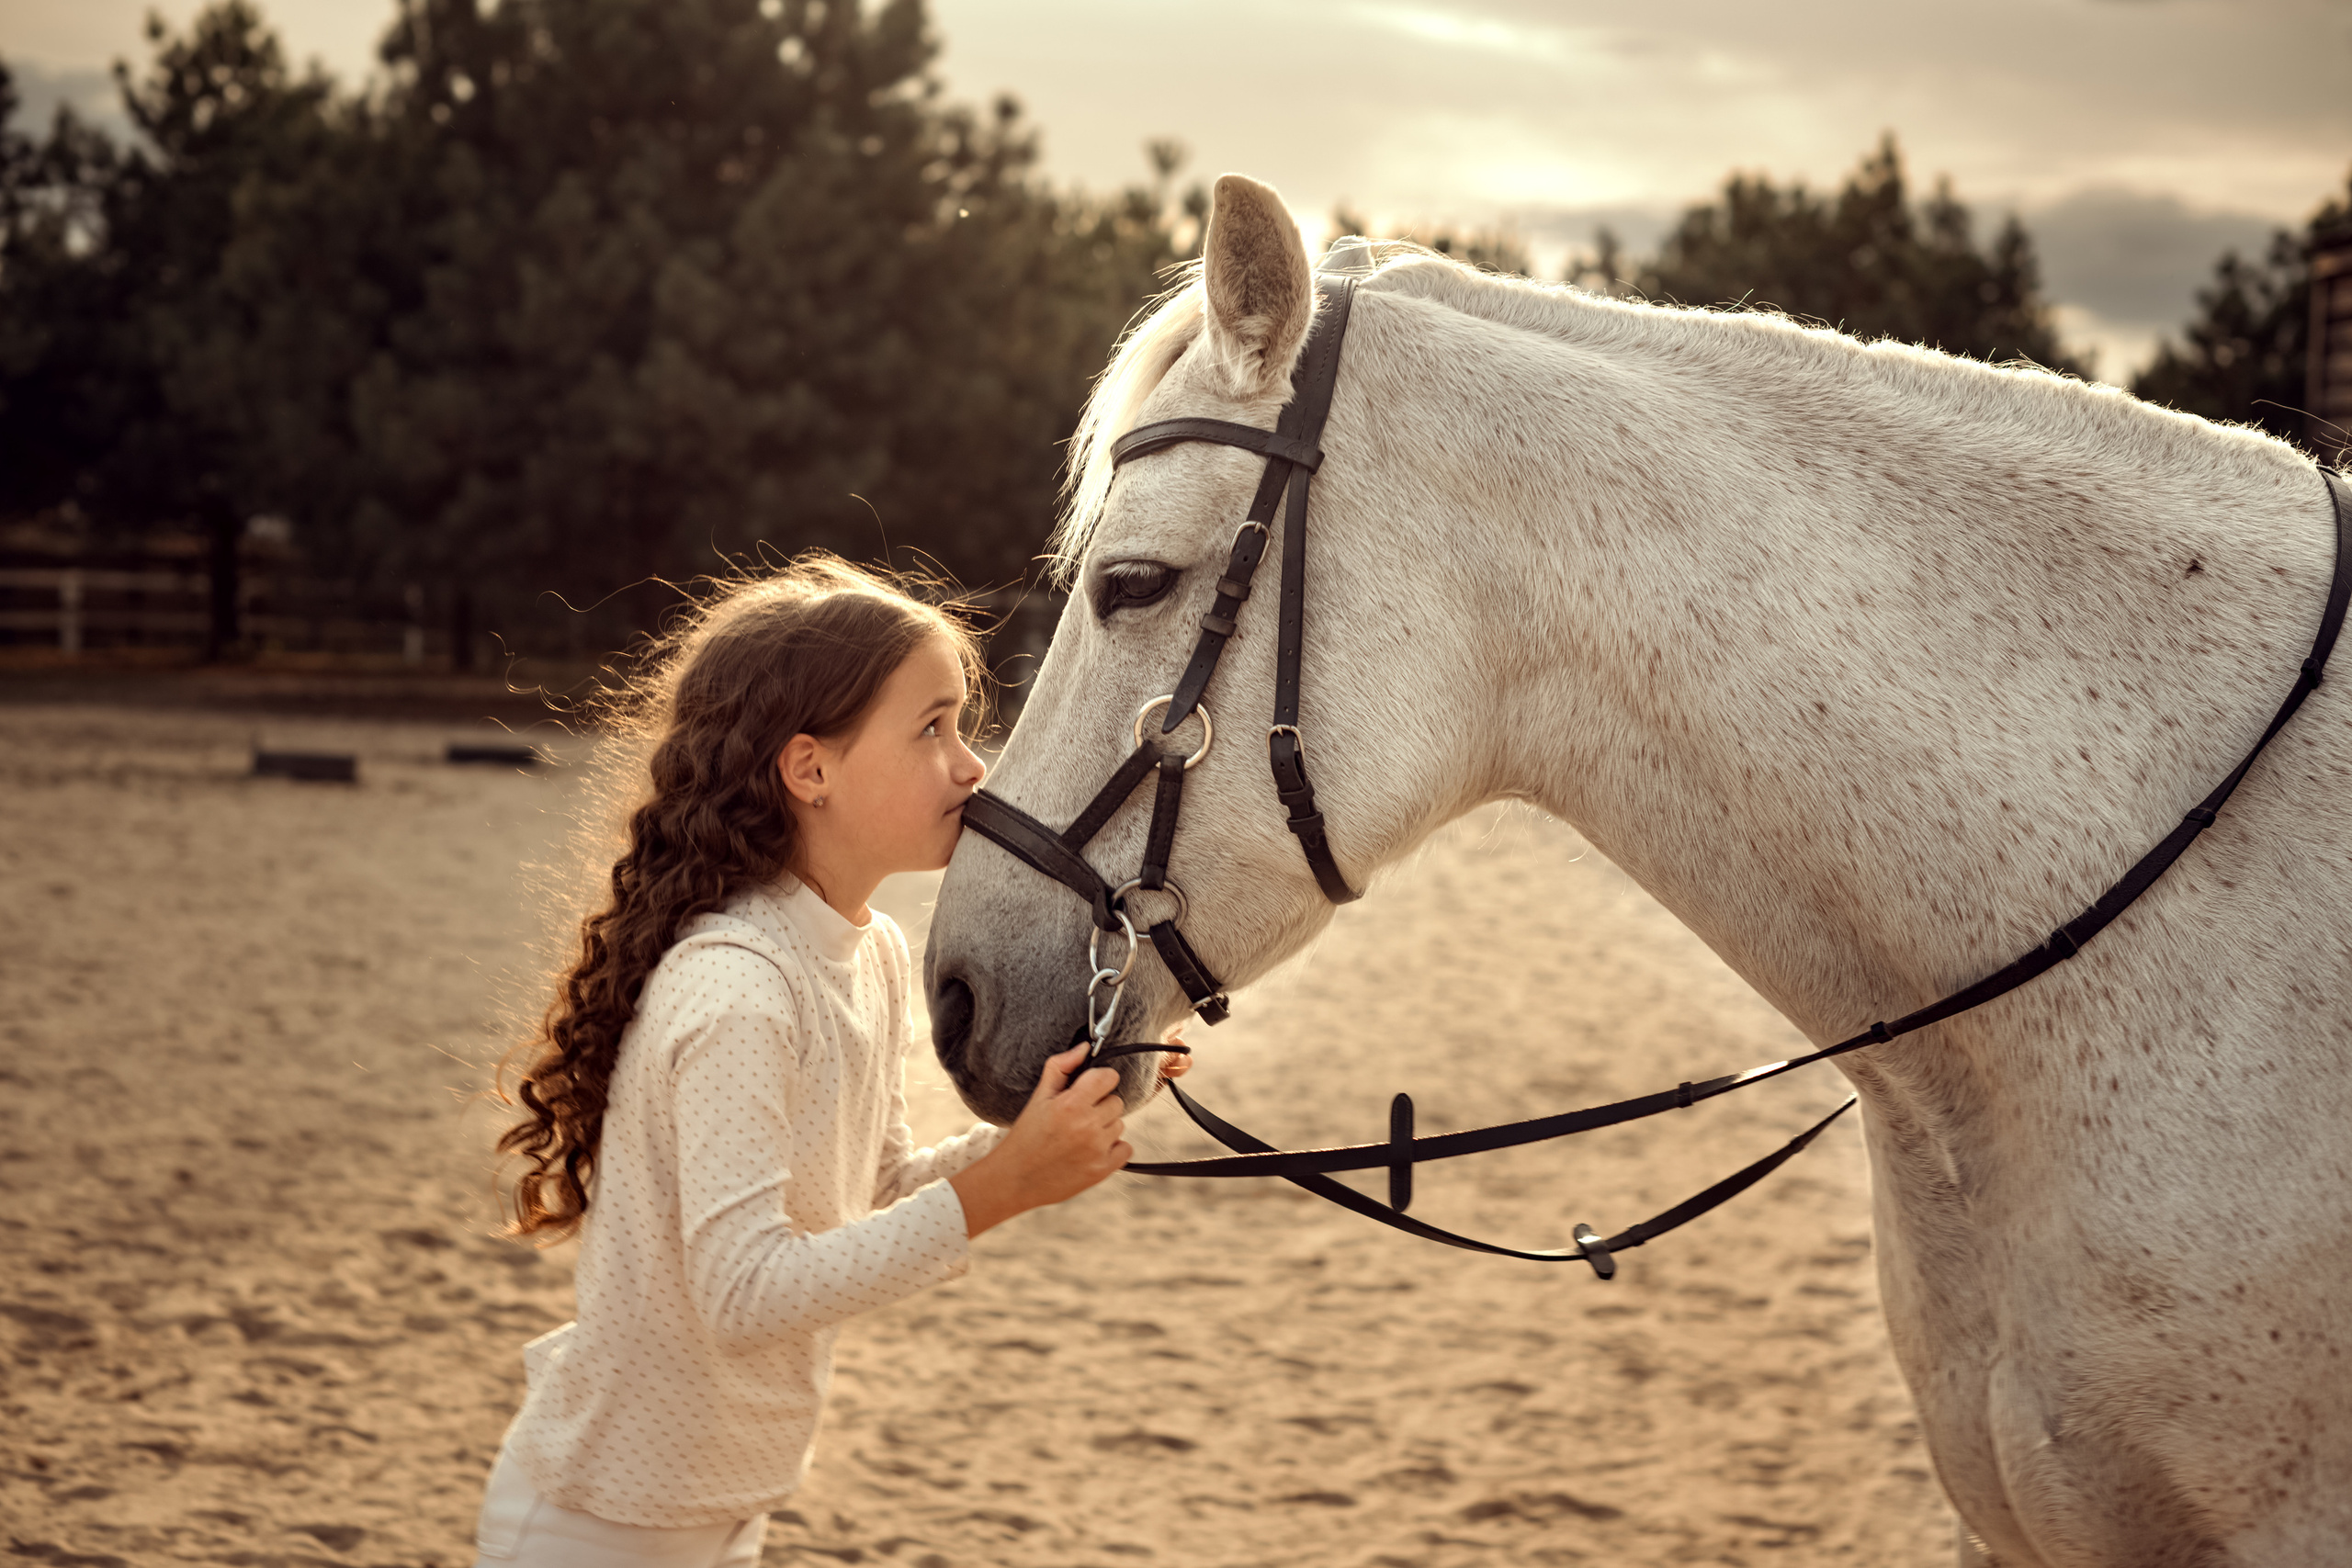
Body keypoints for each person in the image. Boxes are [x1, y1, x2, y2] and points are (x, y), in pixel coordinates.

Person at [472, 557, 1176, 1567]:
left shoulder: (867, 948)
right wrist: (996, 1190)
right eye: (931, 729)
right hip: (600, 1521)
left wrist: (1045, 1133)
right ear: (810, 770)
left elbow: (874, 1183)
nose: (973, 767)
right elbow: (745, 1292)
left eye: (961, 726)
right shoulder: (738, 990)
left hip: (721, 1509)